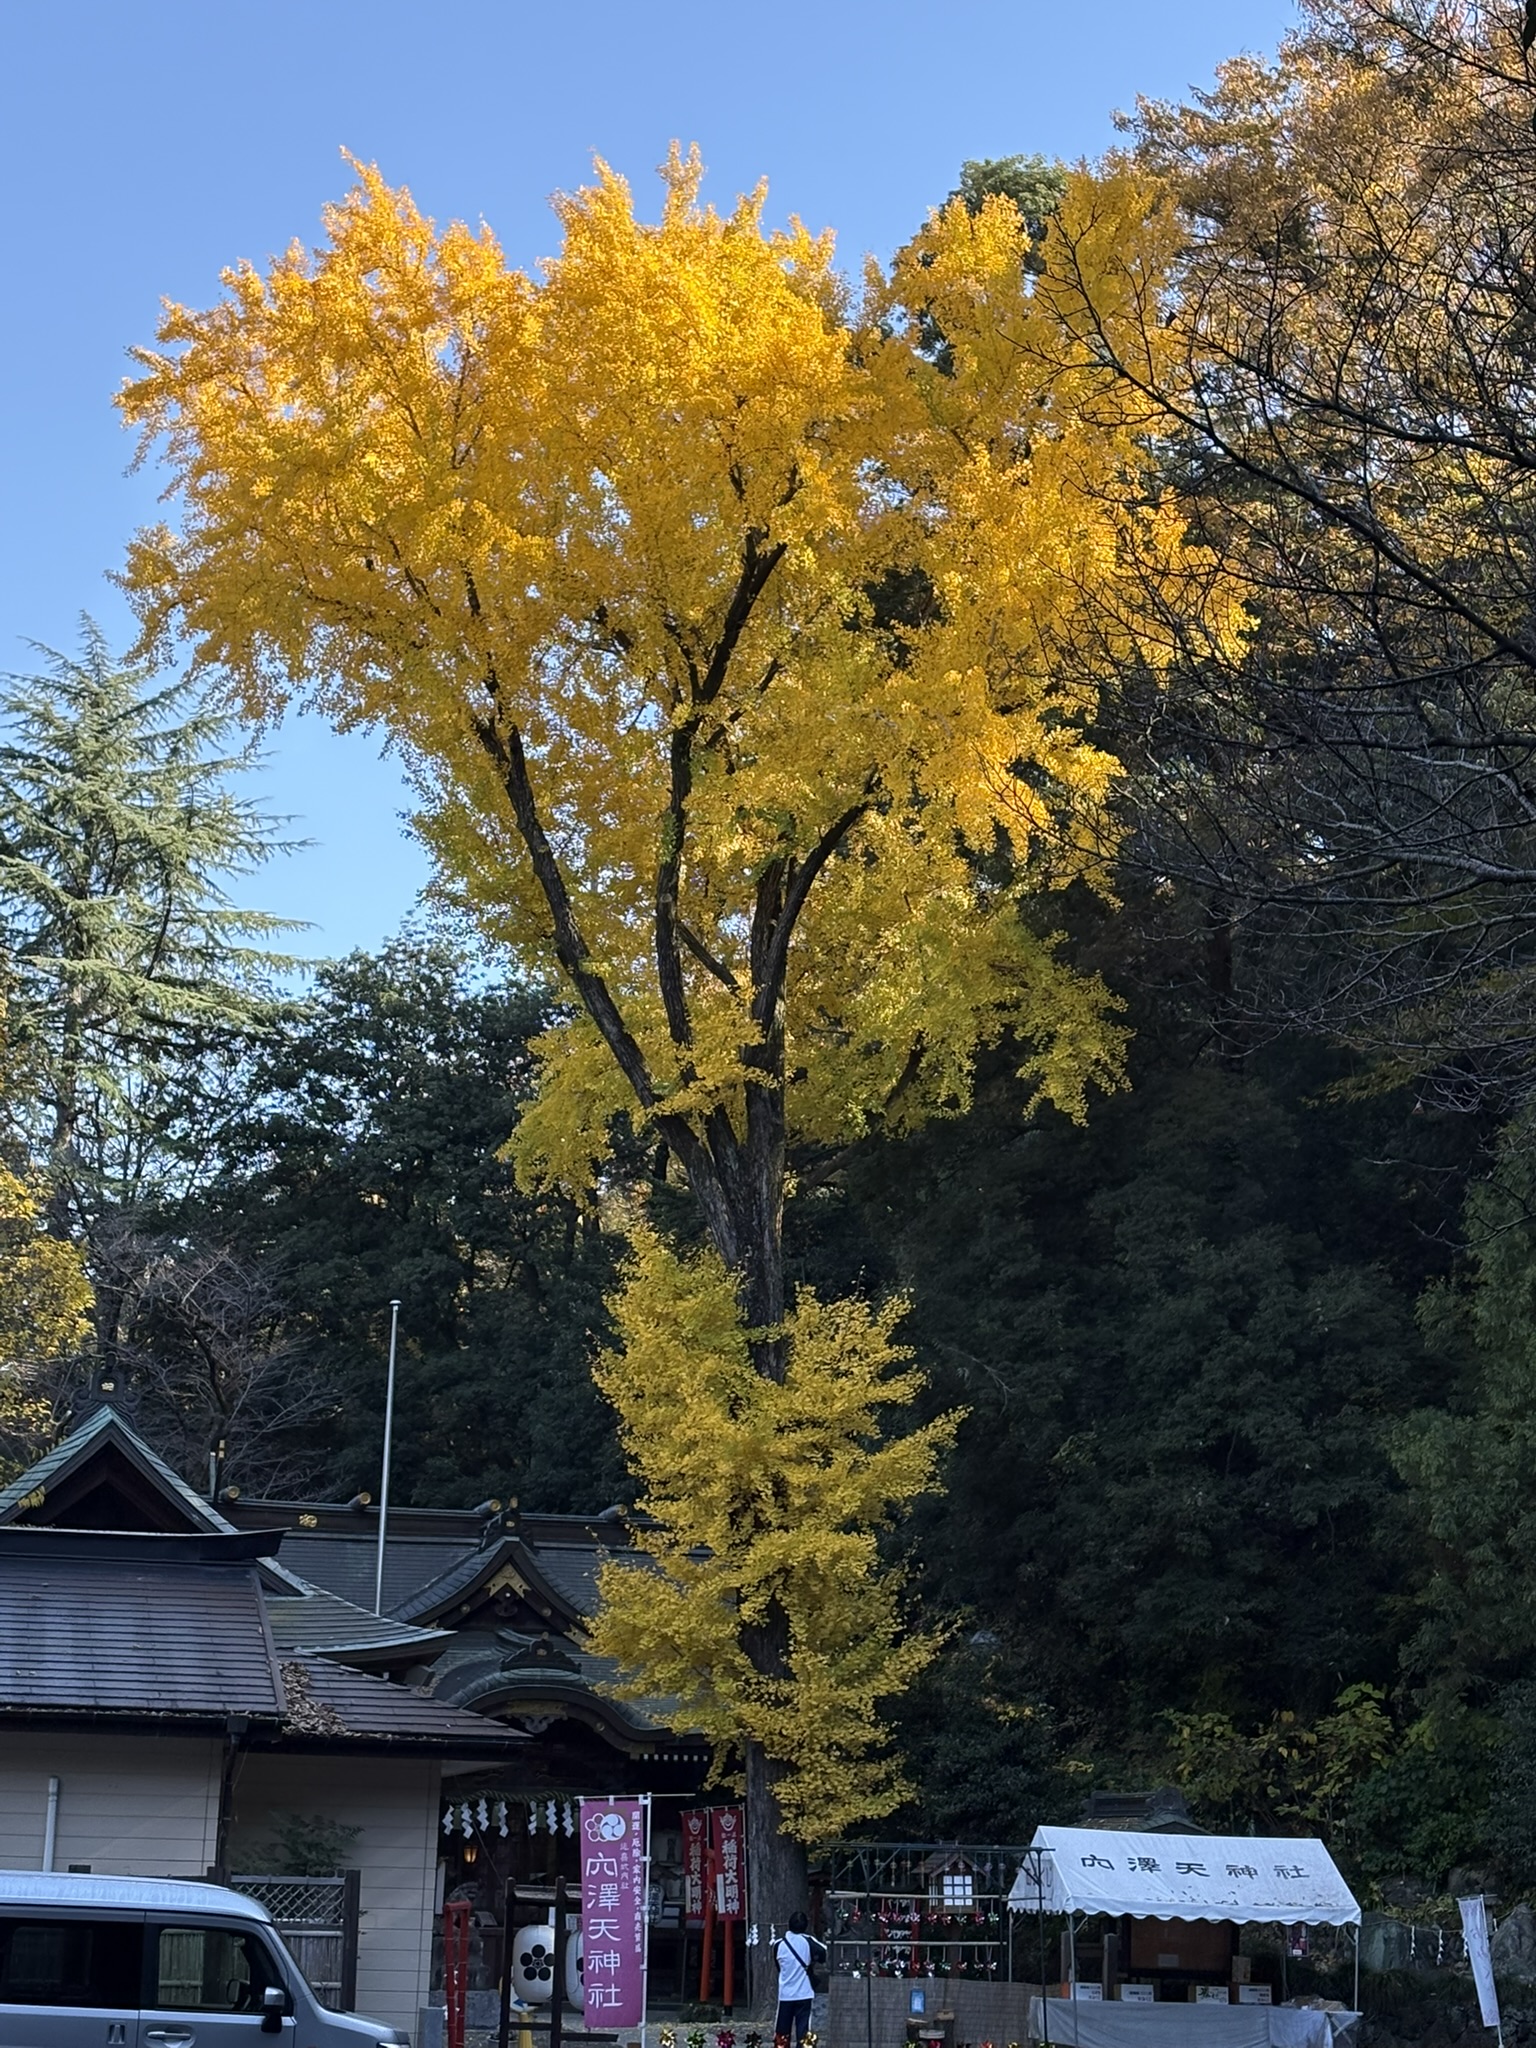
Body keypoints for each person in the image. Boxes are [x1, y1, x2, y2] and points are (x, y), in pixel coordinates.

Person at [773, 1911, 824, 2047]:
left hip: (785, 1994)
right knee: (804, 2030)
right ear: (805, 1926)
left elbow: (779, 1967)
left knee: (782, 2032)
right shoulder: (808, 1941)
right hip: (804, 1993)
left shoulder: (778, 1945)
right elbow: (823, 1952)